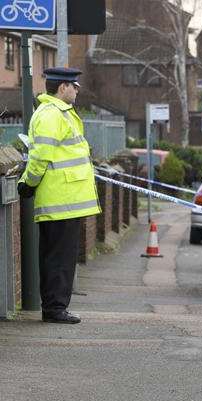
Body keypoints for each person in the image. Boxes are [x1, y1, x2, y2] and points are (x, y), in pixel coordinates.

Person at [17, 67, 100, 324]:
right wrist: (28, 183)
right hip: (60, 200)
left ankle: (55, 307)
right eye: (74, 86)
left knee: (60, 257)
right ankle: (54, 309)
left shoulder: (60, 114)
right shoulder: (52, 115)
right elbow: (41, 155)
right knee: (58, 258)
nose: (77, 90)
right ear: (62, 87)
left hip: (66, 199)